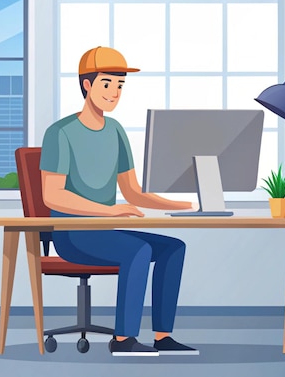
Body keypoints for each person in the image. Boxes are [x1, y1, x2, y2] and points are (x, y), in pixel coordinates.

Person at [39, 46, 198, 356]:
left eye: (120, 85)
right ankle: (123, 340)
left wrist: (186, 206)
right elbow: (52, 195)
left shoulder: (115, 131)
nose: (114, 93)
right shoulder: (60, 133)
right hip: (72, 234)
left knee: (173, 247)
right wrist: (109, 210)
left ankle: (163, 337)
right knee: (139, 249)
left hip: (107, 230)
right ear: (87, 85)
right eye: (107, 84)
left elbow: (133, 192)